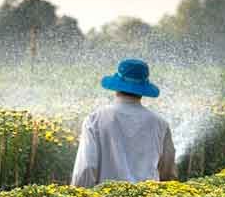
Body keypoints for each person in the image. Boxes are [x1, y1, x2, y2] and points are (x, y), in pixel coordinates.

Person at [71, 59, 176, 188]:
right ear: (143, 89)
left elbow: (86, 168)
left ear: (117, 86)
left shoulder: (95, 119)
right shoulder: (160, 124)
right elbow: (167, 170)